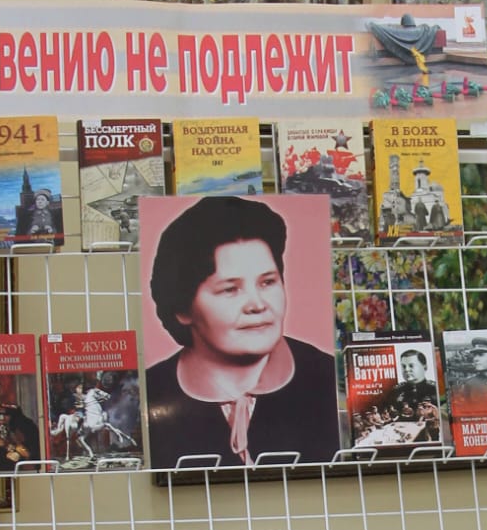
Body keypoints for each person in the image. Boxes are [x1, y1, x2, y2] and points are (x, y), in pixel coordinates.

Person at [145, 196, 341, 470]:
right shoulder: (148, 393)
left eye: (267, 282)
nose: (257, 304)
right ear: (182, 308)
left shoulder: (331, 379)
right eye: (230, 289)